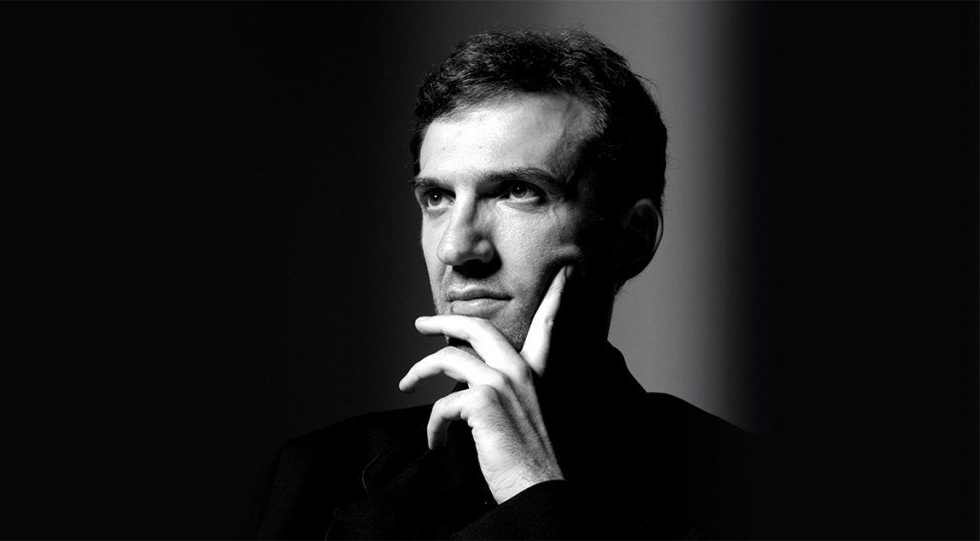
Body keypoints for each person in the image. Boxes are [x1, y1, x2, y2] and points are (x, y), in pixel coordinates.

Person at [255, 28, 764, 539]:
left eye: (518, 191)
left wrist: (531, 492)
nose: (456, 249)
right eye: (438, 198)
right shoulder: (319, 473)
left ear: (630, 240)